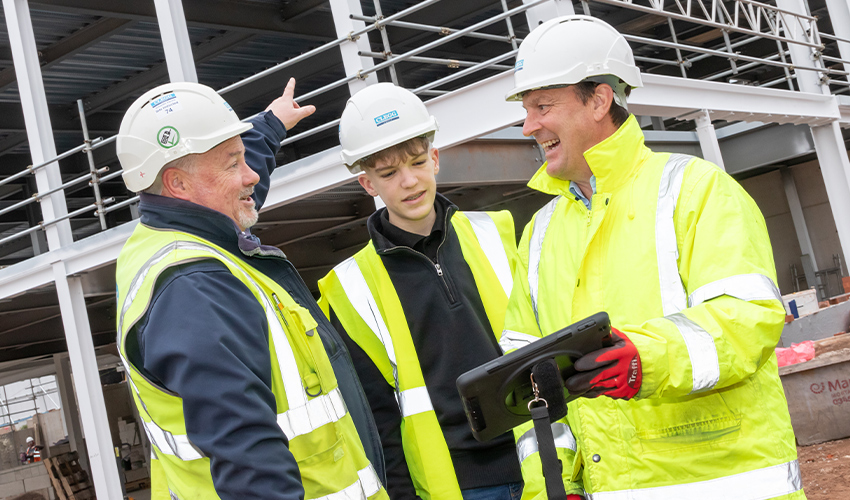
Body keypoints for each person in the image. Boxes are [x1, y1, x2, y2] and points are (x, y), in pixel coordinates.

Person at [502, 15, 805, 500]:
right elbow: (525, 379)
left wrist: (647, 357)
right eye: (526, 108)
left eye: (542, 105)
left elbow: (747, 320)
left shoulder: (698, 190)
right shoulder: (539, 232)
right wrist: (552, 484)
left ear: (599, 99)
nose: (528, 126)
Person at [114, 79, 388, 500]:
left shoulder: (173, 235)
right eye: (232, 163)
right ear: (178, 186)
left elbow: (235, 191)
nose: (251, 176)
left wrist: (272, 124)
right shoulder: (194, 289)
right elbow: (250, 467)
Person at [316, 83, 529, 500]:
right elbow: (377, 417)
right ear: (367, 184)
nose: (409, 182)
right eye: (389, 173)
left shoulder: (499, 233)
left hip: (541, 456)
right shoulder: (348, 287)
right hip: (454, 484)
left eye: (416, 162)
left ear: (435, 159)